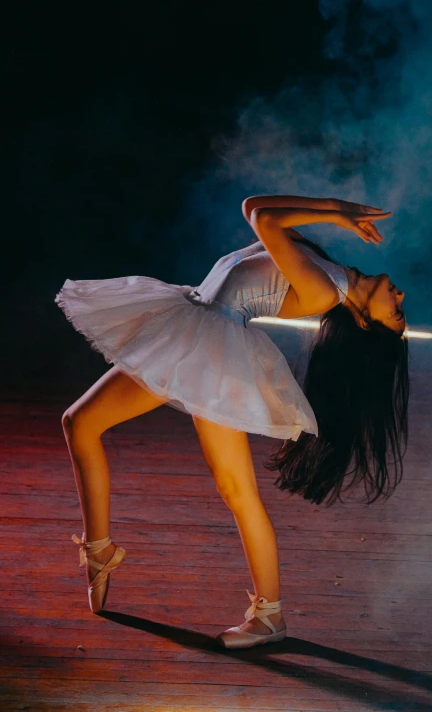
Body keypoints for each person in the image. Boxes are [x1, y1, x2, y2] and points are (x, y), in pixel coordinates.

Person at [56, 194, 409, 649]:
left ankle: (270, 616)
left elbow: (265, 220)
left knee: (235, 491)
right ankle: (100, 550)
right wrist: (334, 209)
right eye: (401, 304)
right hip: (194, 326)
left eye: (396, 312)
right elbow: (253, 207)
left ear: (364, 322)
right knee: (80, 423)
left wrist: (336, 213)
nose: (399, 296)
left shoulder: (323, 290)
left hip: (211, 352)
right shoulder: (327, 266)